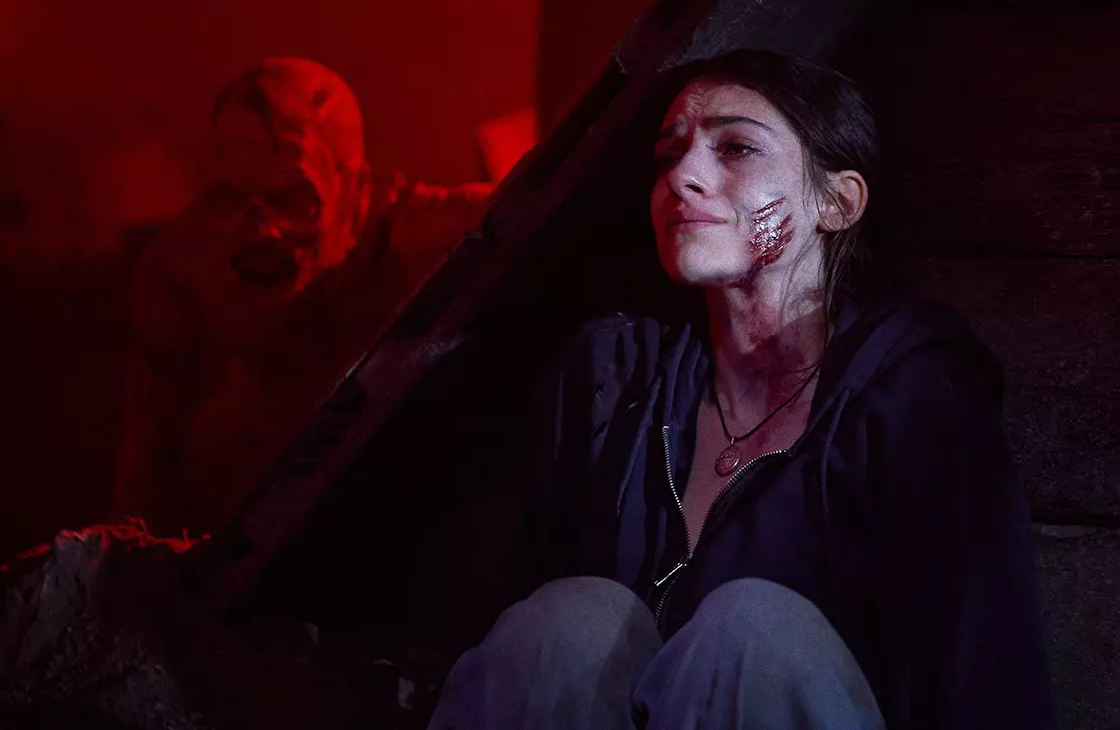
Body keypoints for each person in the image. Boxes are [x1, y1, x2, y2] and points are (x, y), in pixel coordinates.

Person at [427, 51, 1056, 729]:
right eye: (668, 156)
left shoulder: (914, 394)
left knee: (751, 635)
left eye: (736, 148)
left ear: (837, 203)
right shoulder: (612, 375)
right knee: (570, 624)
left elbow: (980, 673)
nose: (682, 177)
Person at [114, 57, 491, 536]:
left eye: (292, 199)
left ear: (353, 186)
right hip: (258, 505)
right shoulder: (185, 267)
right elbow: (149, 459)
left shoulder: (420, 237)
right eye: (231, 198)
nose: (261, 232)